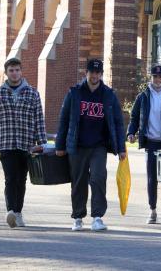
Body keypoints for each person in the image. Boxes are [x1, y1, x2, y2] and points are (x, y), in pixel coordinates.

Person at [56, 58, 126, 232]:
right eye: (91, 72)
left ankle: (97, 218)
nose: (94, 75)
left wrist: (122, 148)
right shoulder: (75, 93)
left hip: (99, 146)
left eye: (97, 72)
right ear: (85, 73)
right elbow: (64, 120)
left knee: (98, 179)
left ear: (101, 74)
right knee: (78, 182)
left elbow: (118, 122)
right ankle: (78, 217)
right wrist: (60, 145)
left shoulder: (108, 95)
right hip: (78, 146)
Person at [0, 58, 47, 228]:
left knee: (21, 179)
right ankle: (11, 211)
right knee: (10, 178)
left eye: (17, 70)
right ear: (6, 73)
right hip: (6, 143)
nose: (14, 73)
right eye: (11, 70)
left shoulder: (33, 93)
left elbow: (39, 120)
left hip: (27, 144)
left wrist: (43, 144)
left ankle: (18, 213)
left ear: (21, 71)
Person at [127, 65, 161, 224]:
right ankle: (153, 211)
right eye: (155, 77)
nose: (158, 80)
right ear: (150, 78)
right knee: (152, 178)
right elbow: (135, 116)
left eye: (160, 77)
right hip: (151, 142)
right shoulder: (143, 96)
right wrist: (131, 132)